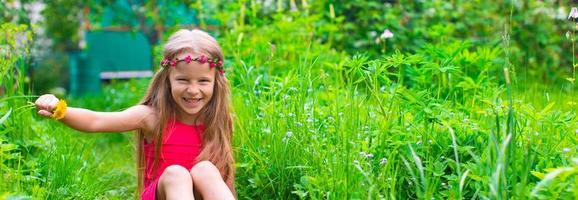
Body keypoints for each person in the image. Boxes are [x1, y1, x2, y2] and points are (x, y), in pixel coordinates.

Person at [35, 29, 236, 200]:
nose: (193, 90)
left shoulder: (217, 120)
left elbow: (225, 181)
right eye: (183, 80)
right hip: (162, 193)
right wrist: (60, 109)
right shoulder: (152, 117)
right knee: (177, 174)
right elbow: (96, 121)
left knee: (207, 170)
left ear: (215, 82)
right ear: (168, 80)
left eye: (202, 81)